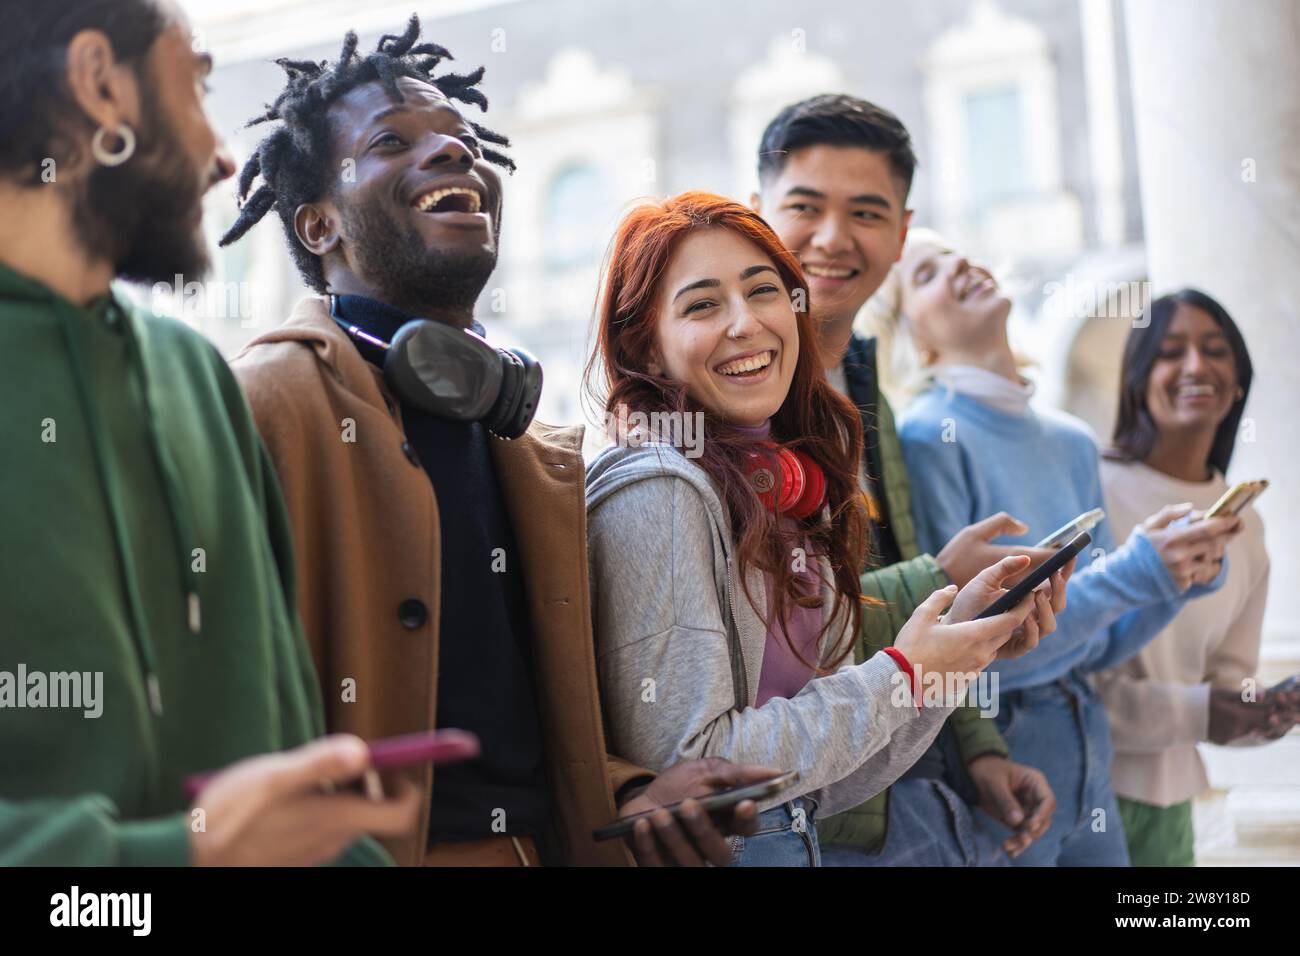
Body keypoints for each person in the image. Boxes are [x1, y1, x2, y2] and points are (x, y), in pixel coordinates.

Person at [224, 17, 765, 867]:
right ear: (318, 225)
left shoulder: (526, 441)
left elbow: (523, 720)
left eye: (463, 137)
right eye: (393, 141)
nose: (451, 153)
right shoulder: (263, 406)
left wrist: (628, 791)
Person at [0, 0, 418, 865]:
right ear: (98, 82)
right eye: (194, 88)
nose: (225, 157)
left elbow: (287, 764)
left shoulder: (195, 375)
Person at [585, 191, 1048, 866]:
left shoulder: (782, 483)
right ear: (646, 351)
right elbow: (699, 772)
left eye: (764, 291)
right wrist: (907, 673)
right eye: (703, 304)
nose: (746, 323)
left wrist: (952, 662)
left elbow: (827, 782)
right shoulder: (657, 489)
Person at [750, 94, 1063, 864]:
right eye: (804, 206)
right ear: (755, 213)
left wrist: (982, 750)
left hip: (917, 791)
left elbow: (915, 586)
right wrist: (941, 576)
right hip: (805, 810)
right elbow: (757, 628)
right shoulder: (736, 386)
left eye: (865, 212)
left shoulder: (864, 380)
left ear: (899, 234)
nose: (832, 238)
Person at [879, 232, 1243, 865]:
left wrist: (1173, 579)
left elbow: (1094, 640)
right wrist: (1139, 570)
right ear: (914, 335)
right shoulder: (928, 435)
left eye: (961, 254)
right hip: (1005, 746)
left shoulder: (1071, 439)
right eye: (929, 273)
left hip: (1086, 727)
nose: (962, 264)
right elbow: (977, 653)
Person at [1093, 289, 1299, 866]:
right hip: (1076, 791)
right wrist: (1206, 709)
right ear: (1138, 377)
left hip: (1171, 810)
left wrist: (1271, 710)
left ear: (1238, 382)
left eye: (1215, 350)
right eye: (1169, 351)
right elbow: (1063, 677)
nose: (1195, 367)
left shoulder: (1247, 525)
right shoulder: (1091, 486)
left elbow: (1228, 686)